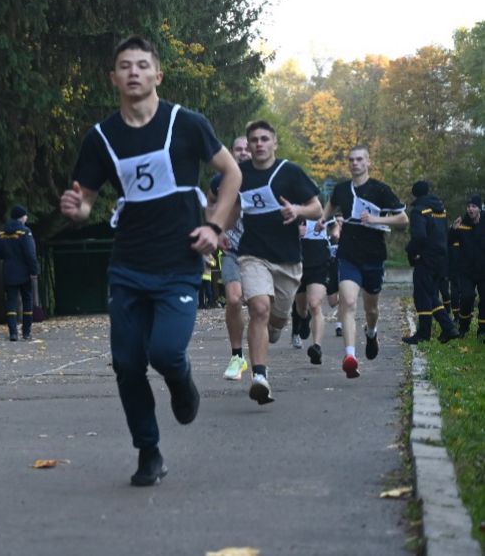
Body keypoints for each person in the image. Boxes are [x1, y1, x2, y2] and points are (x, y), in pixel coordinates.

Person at [60, 35, 240, 487]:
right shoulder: (101, 137)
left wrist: (214, 225)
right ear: (113, 77)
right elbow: (86, 202)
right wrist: (76, 209)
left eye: (142, 65)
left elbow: (231, 171)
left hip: (179, 261)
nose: (134, 72)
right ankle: (148, 451)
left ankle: (182, 383)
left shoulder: (186, 123)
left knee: (165, 352)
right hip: (128, 264)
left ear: (158, 74)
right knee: (126, 363)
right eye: (125, 66)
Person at [229, 121, 322, 404]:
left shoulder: (289, 172)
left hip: (288, 261)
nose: (259, 144)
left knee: (276, 321)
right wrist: (217, 229)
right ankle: (260, 376)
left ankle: (276, 327)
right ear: (248, 144)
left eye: (264, 139)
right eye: (254, 139)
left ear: (274, 143)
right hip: (252, 254)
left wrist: (297, 209)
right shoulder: (238, 174)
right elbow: (224, 201)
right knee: (259, 308)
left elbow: (317, 209)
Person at [319, 146, 408, 378]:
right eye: (351, 160)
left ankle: (372, 332)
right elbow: (329, 208)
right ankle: (350, 356)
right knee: (347, 302)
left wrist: (376, 219)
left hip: (374, 256)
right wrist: (321, 220)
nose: (355, 163)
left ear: (368, 162)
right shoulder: (341, 189)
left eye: (359, 159)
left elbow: (403, 218)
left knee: (371, 309)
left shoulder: (380, 189)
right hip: (348, 255)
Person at [402, 181, 459, 344]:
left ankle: (424, 334)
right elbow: (443, 234)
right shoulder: (440, 210)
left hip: (426, 259)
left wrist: (411, 251)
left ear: (414, 193)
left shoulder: (418, 211)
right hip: (442, 259)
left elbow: (419, 236)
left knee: (422, 295)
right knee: (431, 295)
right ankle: (449, 328)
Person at [214, 136, 252, 380]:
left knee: (262, 308)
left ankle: (263, 347)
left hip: (263, 252)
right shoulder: (221, 181)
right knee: (233, 299)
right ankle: (237, 357)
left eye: (247, 149)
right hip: (233, 249)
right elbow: (209, 203)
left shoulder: (267, 178)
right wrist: (216, 230)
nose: (244, 152)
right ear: (232, 152)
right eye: (239, 149)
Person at [0, 205, 40, 341]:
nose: (26, 218)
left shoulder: (1, 233)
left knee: (11, 302)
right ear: (22, 217)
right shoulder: (25, 232)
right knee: (27, 301)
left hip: (8, 271)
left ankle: (13, 333)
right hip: (24, 272)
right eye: (25, 216)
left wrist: (8, 256)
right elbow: (30, 254)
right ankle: (26, 332)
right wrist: (34, 271)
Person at [298, 217, 335, 365]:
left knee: (314, 304)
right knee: (301, 309)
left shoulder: (322, 210)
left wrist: (335, 233)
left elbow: (334, 227)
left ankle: (317, 348)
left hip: (319, 258)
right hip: (297, 259)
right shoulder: (291, 208)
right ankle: (304, 318)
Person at [449, 194, 484, 339]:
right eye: (468, 206)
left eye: (474, 206)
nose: (470, 209)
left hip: (483, 270)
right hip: (467, 271)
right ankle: (463, 327)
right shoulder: (461, 224)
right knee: (467, 298)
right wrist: (453, 229)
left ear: (479, 208)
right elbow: (449, 242)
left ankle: (482, 330)